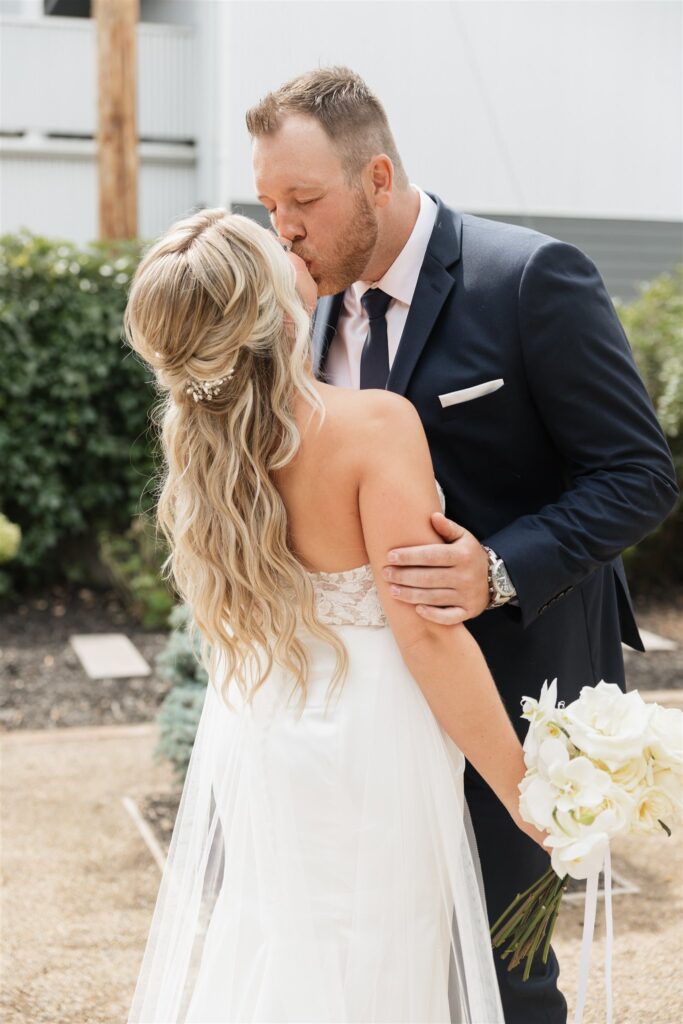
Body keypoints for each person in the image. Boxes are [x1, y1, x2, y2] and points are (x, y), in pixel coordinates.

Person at [246, 66, 679, 1023]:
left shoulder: (529, 278)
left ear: (378, 178)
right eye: (270, 202)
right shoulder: (298, 309)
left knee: (502, 983)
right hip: (363, 718)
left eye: (304, 201)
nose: (285, 229)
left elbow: (638, 474)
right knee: (378, 965)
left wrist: (494, 569)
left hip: (517, 691)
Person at [124, 205, 551, 1022]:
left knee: (282, 946)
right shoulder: (373, 426)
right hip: (372, 741)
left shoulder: (201, 447)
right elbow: (425, 630)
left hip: (268, 726)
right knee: (380, 958)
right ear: (279, 309)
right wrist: (528, 795)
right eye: (273, 244)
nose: (292, 241)